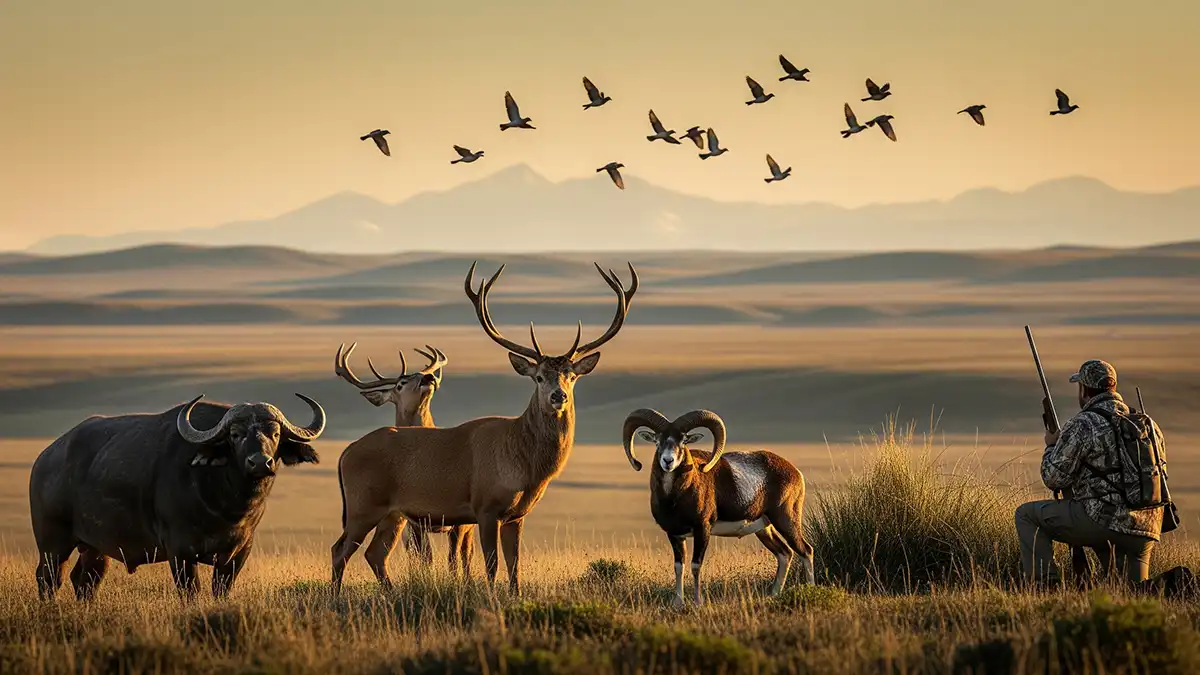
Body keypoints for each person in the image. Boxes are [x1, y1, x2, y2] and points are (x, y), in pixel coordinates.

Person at [1014, 359, 1166, 587]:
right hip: (1146, 527)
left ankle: (1044, 587)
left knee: (1026, 515)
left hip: (1102, 521)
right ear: (1112, 387)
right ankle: (1175, 588)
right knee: (1133, 593)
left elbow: (1053, 478)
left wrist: (1051, 445)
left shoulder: (1084, 423)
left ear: (1084, 390)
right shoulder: (1148, 424)